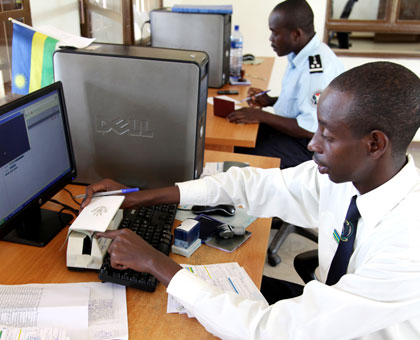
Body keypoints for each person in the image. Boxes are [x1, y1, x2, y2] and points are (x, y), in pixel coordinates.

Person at [84, 62, 420, 339]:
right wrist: (141, 198)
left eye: (328, 136)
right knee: (194, 294)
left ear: (375, 144)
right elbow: (250, 184)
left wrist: (157, 262)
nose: (312, 144)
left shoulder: (407, 246)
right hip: (323, 308)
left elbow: (268, 331)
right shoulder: (350, 176)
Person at [229, 0, 344, 169]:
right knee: (238, 136)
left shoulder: (316, 71)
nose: (271, 39)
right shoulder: (301, 55)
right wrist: (270, 101)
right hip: (295, 135)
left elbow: (309, 127)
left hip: (308, 147)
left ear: (296, 34)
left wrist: (261, 115)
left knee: (238, 153)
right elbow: (302, 102)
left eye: (275, 33)